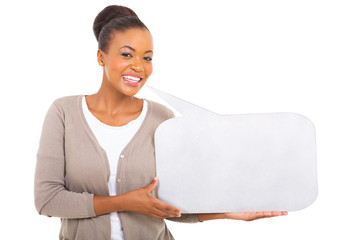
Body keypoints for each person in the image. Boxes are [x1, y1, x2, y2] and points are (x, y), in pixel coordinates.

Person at [34, 5, 287, 240]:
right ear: (101, 57)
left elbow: (172, 203)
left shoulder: (162, 118)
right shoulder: (64, 112)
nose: (138, 67)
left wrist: (227, 213)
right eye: (126, 54)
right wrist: (125, 201)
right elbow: (47, 200)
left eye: (147, 58)